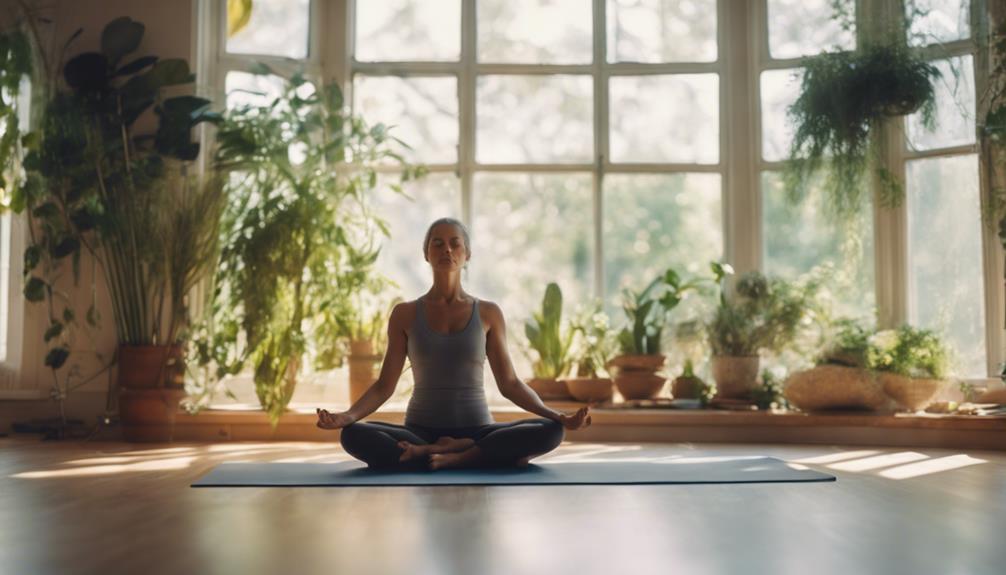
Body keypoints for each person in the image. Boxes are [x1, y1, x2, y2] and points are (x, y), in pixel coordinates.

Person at [317, 217, 592, 471]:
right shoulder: (405, 314)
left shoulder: (488, 313)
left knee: (551, 431)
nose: (446, 250)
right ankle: (466, 455)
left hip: (478, 430)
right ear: (426, 254)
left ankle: (437, 455)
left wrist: (558, 416)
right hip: (418, 431)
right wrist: (347, 416)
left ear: (466, 254)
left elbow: (509, 383)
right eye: (437, 244)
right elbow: (384, 386)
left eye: (454, 244)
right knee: (353, 435)